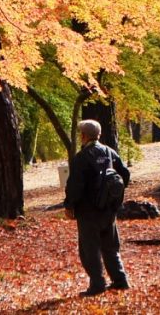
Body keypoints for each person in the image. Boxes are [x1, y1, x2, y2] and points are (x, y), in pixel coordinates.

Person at [63, 119, 130, 297]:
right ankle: (120, 280)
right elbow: (125, 175)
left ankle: (97, 284)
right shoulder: (110, 153)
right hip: (109, 209)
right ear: (98, 135)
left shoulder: (82, 157)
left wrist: (69, 205)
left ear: (84, 136)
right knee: (110, 246)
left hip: (88, 211)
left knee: (89, 249)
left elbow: (75, 186)